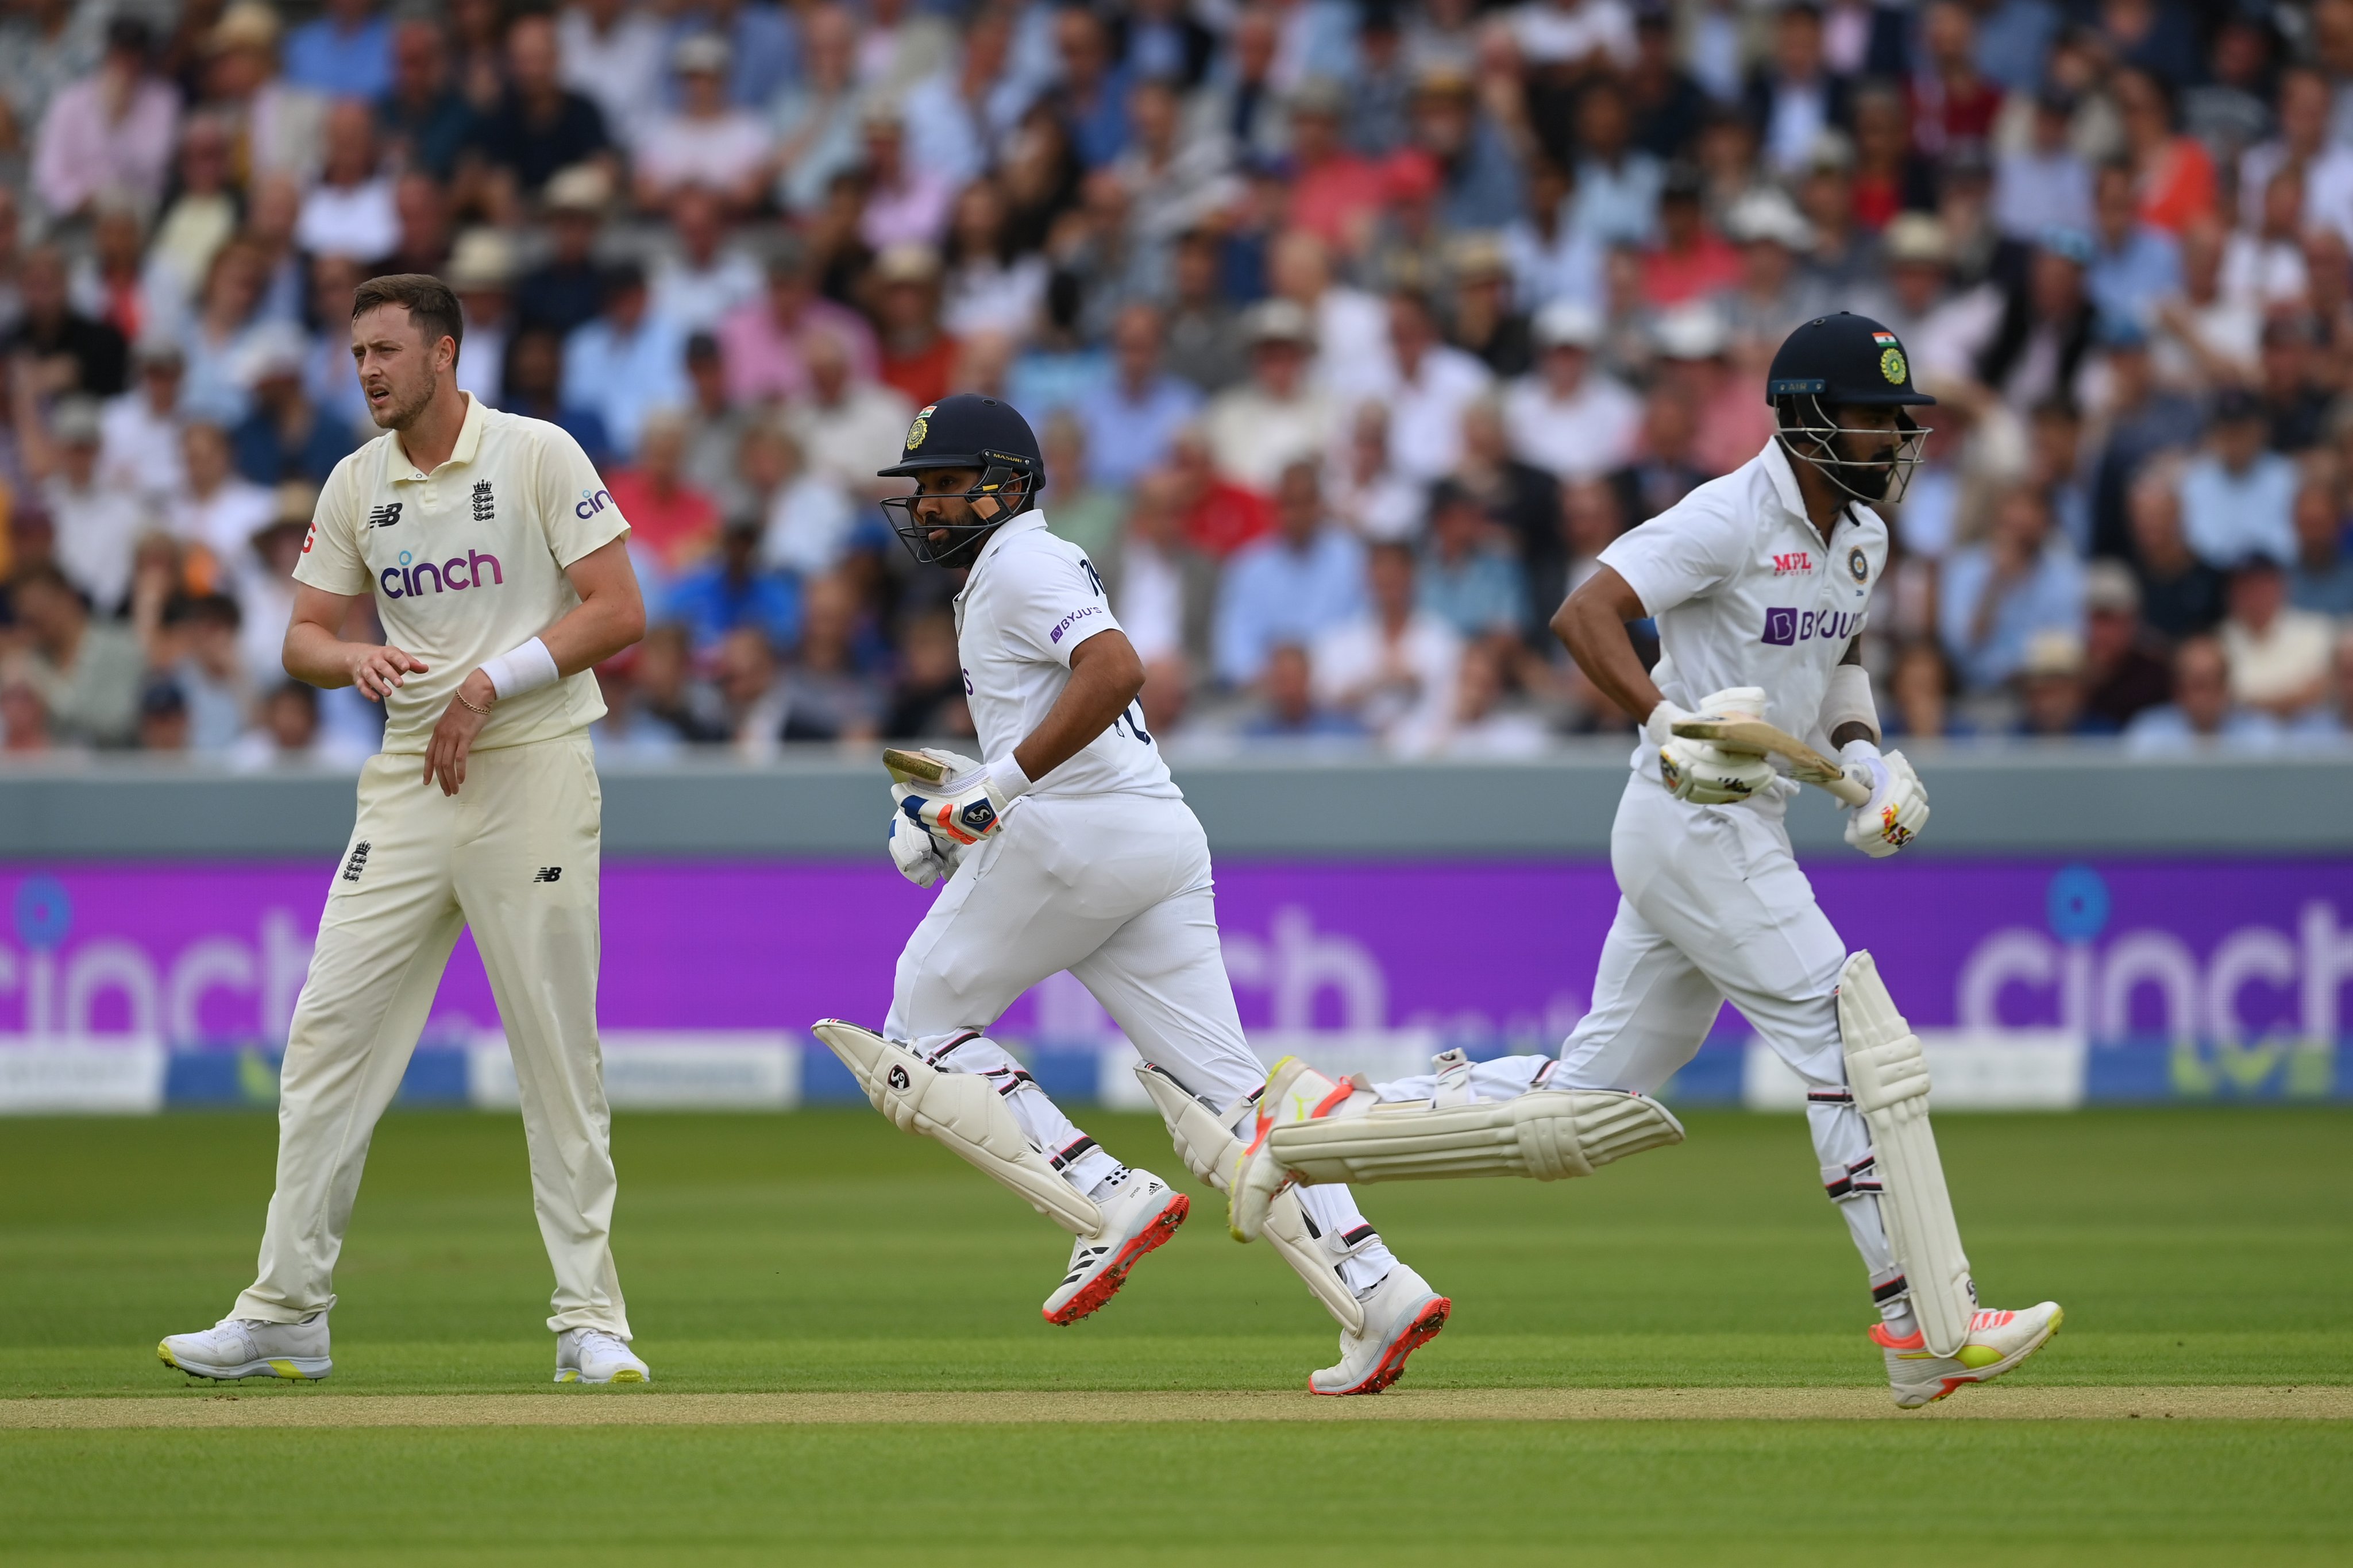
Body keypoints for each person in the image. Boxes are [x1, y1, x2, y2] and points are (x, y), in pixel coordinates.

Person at [1225, 314, 2061, 1411]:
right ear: (1809, 418)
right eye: (1875, 417)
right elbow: (1588, 613)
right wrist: (1666, 717)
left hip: (1742, 823)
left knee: (1587, 1101)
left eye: (1903, 419)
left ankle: (1319, 1127)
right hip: (1691, 816)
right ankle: (1924, 1323)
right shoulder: (1726, 515)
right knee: (1855, 1041)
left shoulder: (1863, 536)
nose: (1897, 437)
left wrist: (1866, 756)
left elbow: (1837, 651)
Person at [819, 393, 1451, 1396]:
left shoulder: (1023, 559)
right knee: (1230, 1094)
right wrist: (961, 797)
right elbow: (1055, 711)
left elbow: (1114, 668)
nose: (928, 507)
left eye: (944, 485)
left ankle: (1103, 1191)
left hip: (1072, 835)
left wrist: (1001, 791)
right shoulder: (1013, 568)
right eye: (921, 491)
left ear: (1005, 482)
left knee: (920, 1019)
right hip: (1151, 834)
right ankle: (1378, 1285)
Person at [157, 274, 652, 1388]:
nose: (368, 370)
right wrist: (353, 659)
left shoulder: (536, 453)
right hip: (407, 786)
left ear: (445, 352)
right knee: (328, 1040)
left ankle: (590, 1320)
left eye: (386, 350)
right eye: (358, 353)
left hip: (530, 771)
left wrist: (488, 684)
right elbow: (301, 638)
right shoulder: (354, 483)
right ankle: (286, 1309)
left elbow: (618, 611)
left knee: (553, 1056)